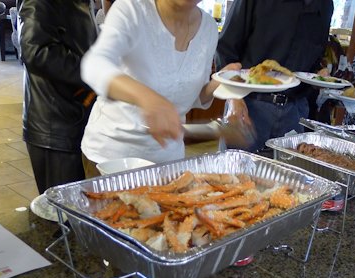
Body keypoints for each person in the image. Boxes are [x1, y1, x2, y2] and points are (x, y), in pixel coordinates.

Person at [80, 0, 240, 179]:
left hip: (168, 162)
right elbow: (94, 65)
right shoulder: (132, 9)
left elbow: (192, 95)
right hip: (113, 157)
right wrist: (146, 97)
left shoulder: (209, 28)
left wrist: (218, 83)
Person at [215, 0, 334, 155]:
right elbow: (226, 49)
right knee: (234, 174)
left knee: (287, 177)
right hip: (249, 105)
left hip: (295, 113)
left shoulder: (325, 5)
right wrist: (233, 98)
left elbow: (314, 57)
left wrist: (319, 74)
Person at [19, 0, 98, 194]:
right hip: (54, 126)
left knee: (78, 207)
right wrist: (96, 72)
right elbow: (35, 51)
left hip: (76, 116)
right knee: (59, 213)